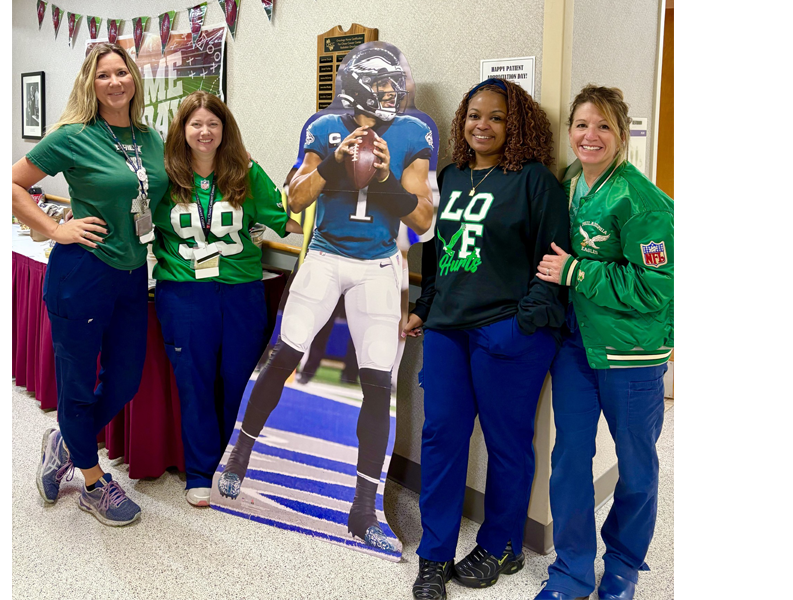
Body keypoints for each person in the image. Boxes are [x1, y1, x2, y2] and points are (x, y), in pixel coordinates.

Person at [216, 45, 435, 552]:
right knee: (283, 355)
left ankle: (363, 510)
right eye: (382, 85)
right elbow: (294, 200)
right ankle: (240, 457)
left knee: (379, 383)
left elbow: (422, 221)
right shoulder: (324, 127)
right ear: (357, 85)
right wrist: (336, 165)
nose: (391, 93)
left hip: (379, 263)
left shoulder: (412, 132)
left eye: (393, 84)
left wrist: (383, 180)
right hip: (325, 255)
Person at [402, 78, 569, 600]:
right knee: (442, 438)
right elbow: (435, 260)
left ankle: (502, 544)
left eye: (496, 117)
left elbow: (554, 259)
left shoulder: (534, 181)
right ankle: (434, 556)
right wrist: (424, 309)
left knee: (508, 444)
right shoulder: (448, 177)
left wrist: (523, 323)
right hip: (450, 330)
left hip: (508, 333)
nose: (483, 125)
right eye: (475, 115)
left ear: (514, 124)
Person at [11, 43, 169, 526]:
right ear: (90, 83)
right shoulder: (73, 136)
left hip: (130, 274)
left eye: (123, 72)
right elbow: (15, 184)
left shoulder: (149, 136)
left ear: (134, 80)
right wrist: (56, 228)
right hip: (81, 273)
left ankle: (63, 441)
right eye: (105, 75)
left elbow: (155, 195)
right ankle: (93, 482)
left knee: (123, 379)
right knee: (78, 388)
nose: (116, 81)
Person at [532, 85, 674, 600]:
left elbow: (656, 289)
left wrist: (576, 271)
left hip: (632, 356)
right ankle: (570, 569)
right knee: (569, 458)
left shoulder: (643, 202)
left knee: (636, 466)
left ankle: (623, 566)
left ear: (622, 134)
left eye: (604, 127)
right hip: (577, 348)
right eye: (581, 125)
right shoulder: (570, 182)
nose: (590, 136)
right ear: (569, 131)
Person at [151, 91, 302, 507]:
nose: (204, 131)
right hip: (184, 292)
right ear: (182, 130)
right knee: (195, 382)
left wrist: (335, 212)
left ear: (225, 130)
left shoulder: (245, 172)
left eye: (213, 124)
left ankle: (234, 467)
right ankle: (200, 472)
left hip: (240, 291)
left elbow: (286, 220)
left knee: (240, 380)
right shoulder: (165, 175)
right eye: (196, 124)